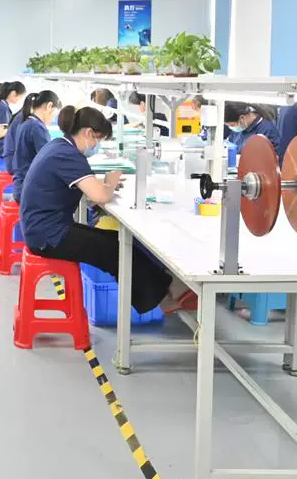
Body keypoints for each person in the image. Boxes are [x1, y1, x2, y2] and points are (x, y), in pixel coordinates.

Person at [20, 106, 193, 319]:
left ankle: (167, 290)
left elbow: (86, 186)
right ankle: (164, 298)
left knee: (114, 240)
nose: (97, 145)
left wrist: (104, 184)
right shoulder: (68, 155)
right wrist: (109, 183)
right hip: (48, 237)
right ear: (88, 133)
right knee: (115, 250)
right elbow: (100, 196)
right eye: (98, 139)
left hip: (45, 228)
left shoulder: (59, 147)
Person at [6, 88, 58, 200]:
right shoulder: (37, 128)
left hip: (21, 184)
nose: (52, 119)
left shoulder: (27, 122)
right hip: (29, 190)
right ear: (49, 106)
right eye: (54, 115)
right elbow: (49, 160)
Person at [0, 81, 27, 158]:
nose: (19, 100)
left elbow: (3, 126)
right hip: (1, 147)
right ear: (13, 93)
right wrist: (14, 128)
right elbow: (0, 133)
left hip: (0, 145)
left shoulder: (2, 105)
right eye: (20, 97)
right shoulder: (3, 108)